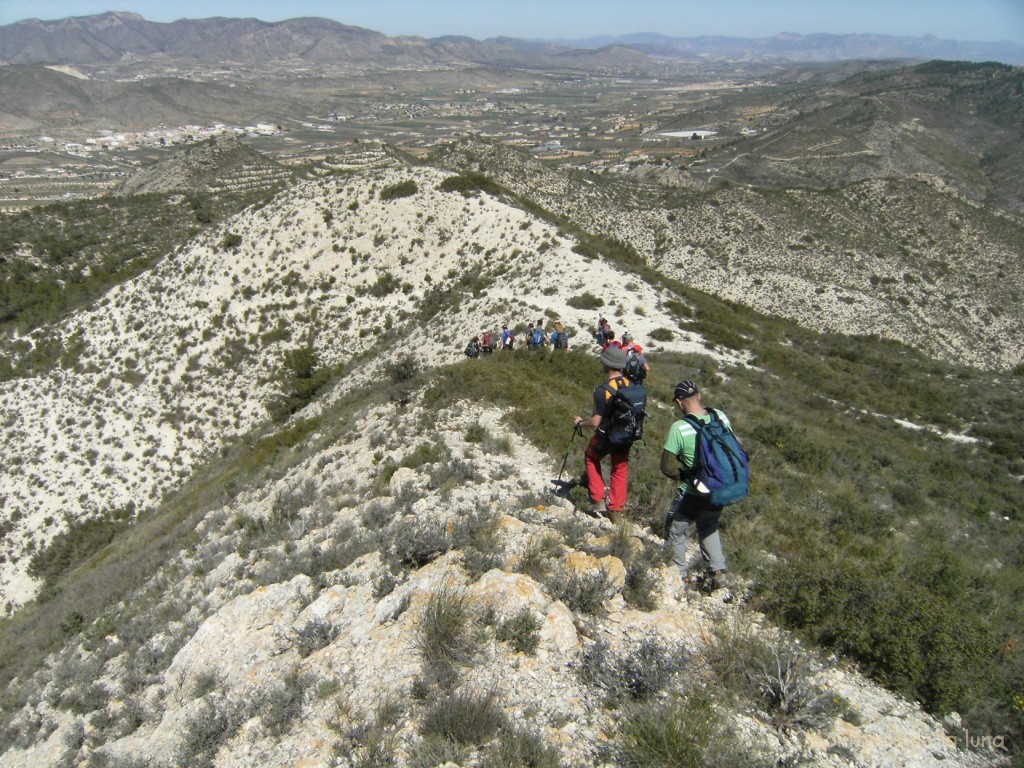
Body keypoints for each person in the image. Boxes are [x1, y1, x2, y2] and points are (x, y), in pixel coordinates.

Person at [661, 380, 734, 595]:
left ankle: (680, 576)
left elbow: (666, 467)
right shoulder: (719, 416)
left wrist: (684, 477)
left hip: (694, 490)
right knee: (708, 524)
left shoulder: (679, 428)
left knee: (676, 529)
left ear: (678, 402)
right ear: (699, 396)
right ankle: (718, 574)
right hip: (721, 487)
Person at [573, 346, 635, 524]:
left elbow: (595, 422)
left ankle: (598, 499)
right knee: (620, 468)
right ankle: (616, 511)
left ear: (607, 365)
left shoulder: (602, 390)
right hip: (626, 435)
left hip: (607, 435)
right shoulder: (632, 385)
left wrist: (579, 423)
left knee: (591, 458)